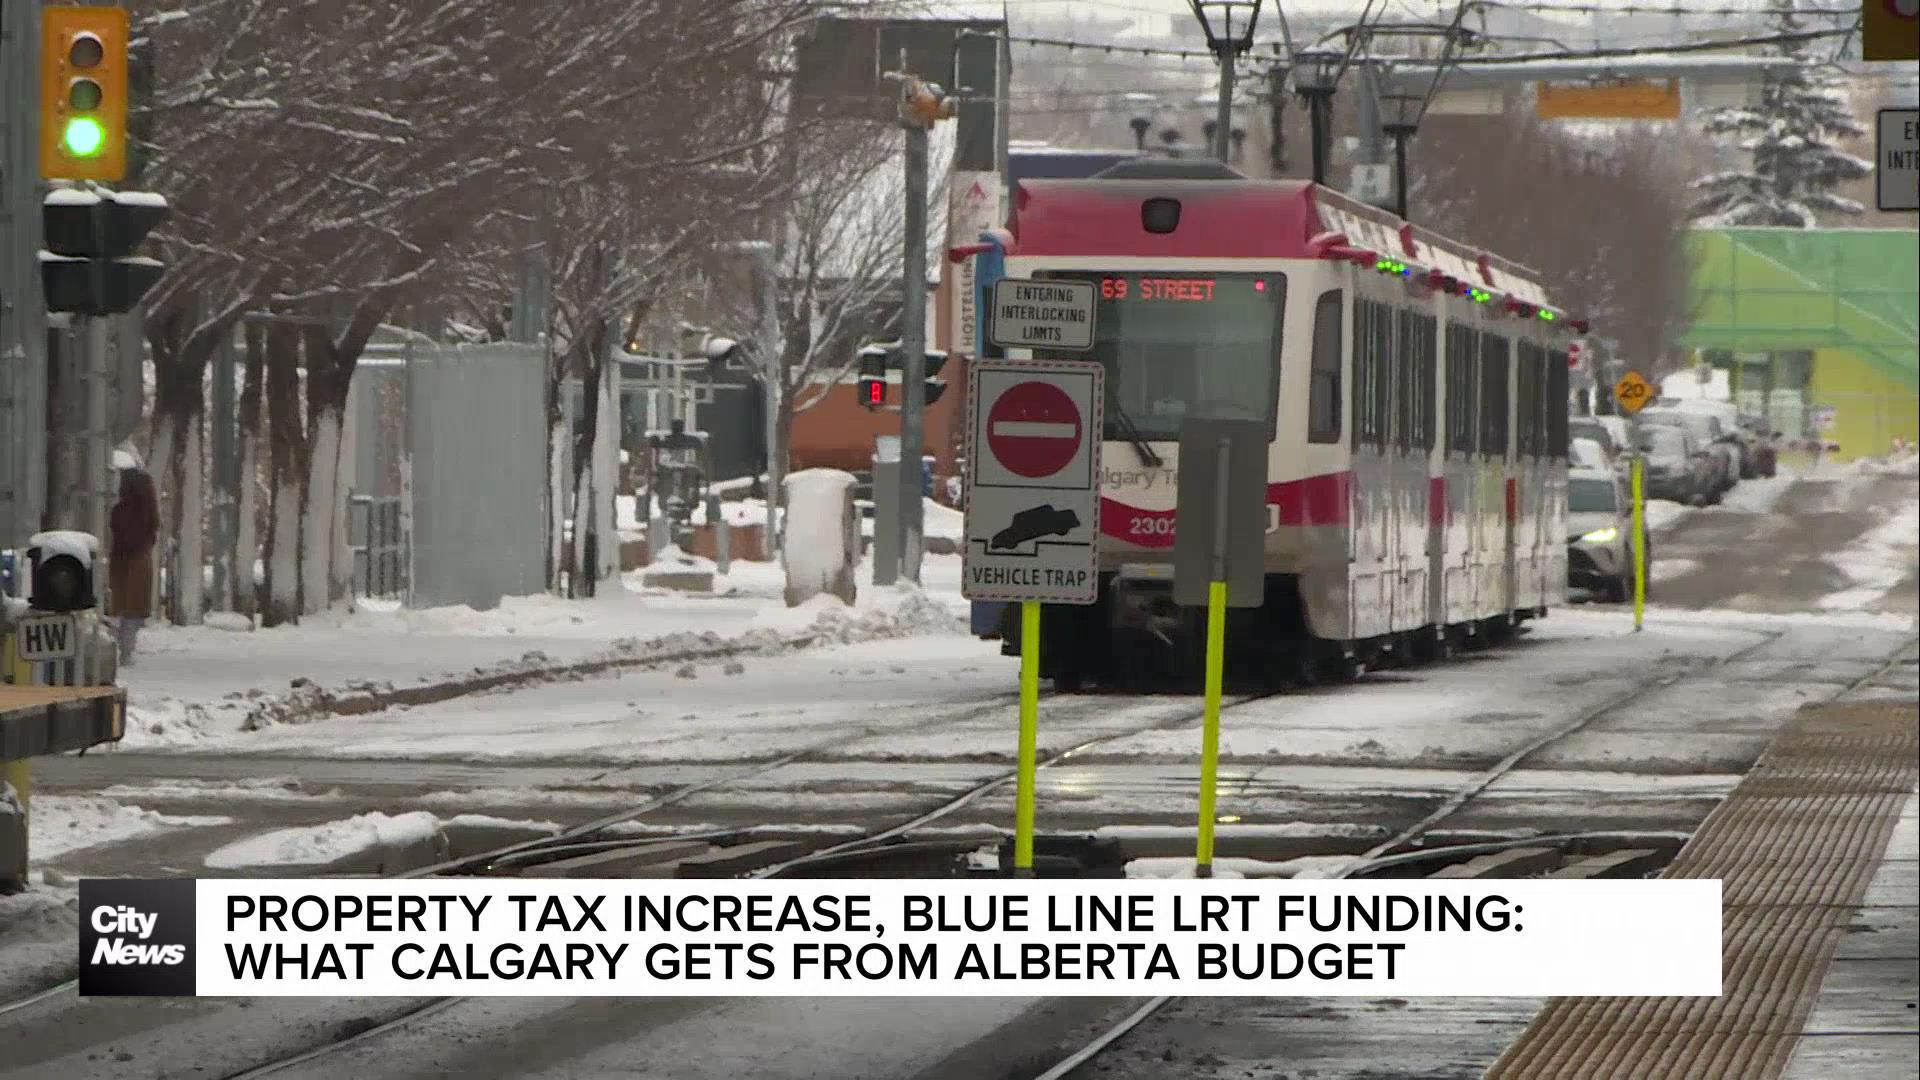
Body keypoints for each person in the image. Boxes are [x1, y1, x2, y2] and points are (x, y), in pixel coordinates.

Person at [108, 468, 159, 666]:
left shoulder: (119, 510)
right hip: (140, 561)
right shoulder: (149, 510)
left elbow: (115, 530)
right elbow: (152, 532)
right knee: (134, 611)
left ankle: (119, 649)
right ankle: (127, 652)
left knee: (120, 608)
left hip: (120, 561)